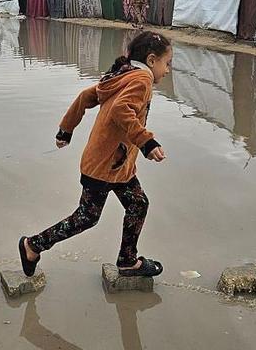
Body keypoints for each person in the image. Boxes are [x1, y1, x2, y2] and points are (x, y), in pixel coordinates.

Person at [18, 31, 172, 278]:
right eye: (167, 63)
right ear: (152, 60)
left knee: (137, 204)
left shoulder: (122, 74)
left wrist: (65, 130)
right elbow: (122, 110)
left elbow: (86, 96)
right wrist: (147, 142)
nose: (167, 70)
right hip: (106, 165)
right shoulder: (142, 78)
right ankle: (33, 245)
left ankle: (127, 260)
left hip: (116, 164)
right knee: (87, 217)